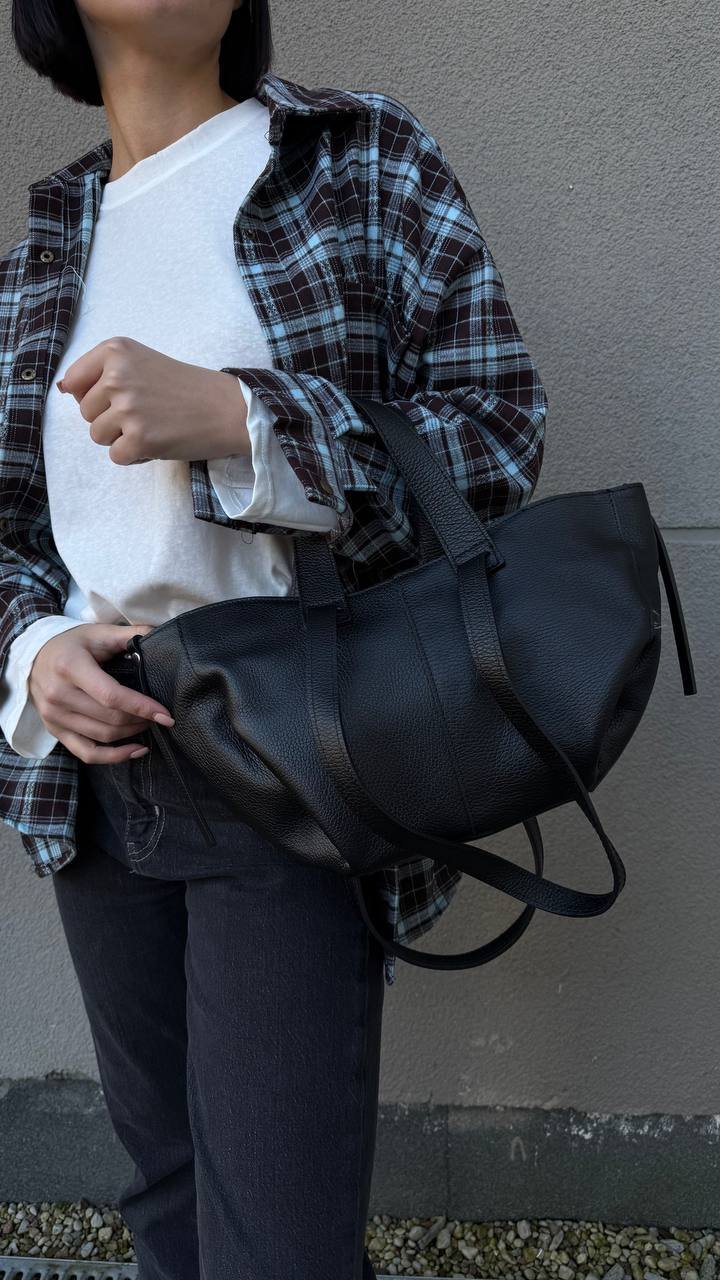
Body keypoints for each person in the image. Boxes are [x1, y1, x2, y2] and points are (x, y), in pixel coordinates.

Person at [0, 0, 548, 1275]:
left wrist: (246, 420)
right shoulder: (43, 251)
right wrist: (33, 651)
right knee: (167, 1202)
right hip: (99, 781)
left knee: (277, 1238)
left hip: (291, 749)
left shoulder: (357, 160)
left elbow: (496, 431)